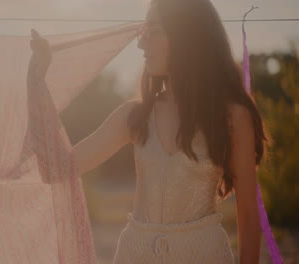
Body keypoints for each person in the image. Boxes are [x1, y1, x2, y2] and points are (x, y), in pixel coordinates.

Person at [29, 0, 271, 262]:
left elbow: (248, 216)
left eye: (153, 31)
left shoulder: (233, 116)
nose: (141, 43)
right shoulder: (135, 116)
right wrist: (36, 85)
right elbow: (56, 169)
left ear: (186, 36)